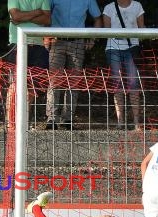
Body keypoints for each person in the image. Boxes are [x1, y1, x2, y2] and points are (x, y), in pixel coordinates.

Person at [45, 0, 102, 130]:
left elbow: (98, 18)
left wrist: (93, 38)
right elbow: (45, 15)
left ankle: (68, 119)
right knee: (54, 80)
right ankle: (52, 119)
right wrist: (45, 36)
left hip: (77, 42)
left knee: (74, 82)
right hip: (56, 41)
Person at [6, 0, 51, 129]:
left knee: (32, 88)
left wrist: (23, 17)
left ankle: (23, 122)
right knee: (14, 85)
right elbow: (15, 16)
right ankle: (10, 123)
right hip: (17, 44)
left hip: (38, 46)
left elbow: (47, 20)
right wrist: (37, 12)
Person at [103, 0, 145, 130]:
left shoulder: (137, 6)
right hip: (113, 48)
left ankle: (136, 121)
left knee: (133, 83)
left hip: (132, 48)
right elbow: (105, 31)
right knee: (117, 84)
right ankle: (120, 121)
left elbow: (142, 29)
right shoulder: (108, 8)